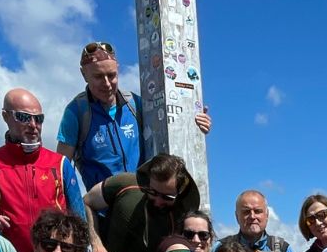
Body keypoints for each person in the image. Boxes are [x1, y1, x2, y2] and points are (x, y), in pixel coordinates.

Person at [0, 87, 101, 252]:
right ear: (5, 116)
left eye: (39, 118)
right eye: (24, 117)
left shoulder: (60, 163)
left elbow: (79, 222)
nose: (33, 124)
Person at [57, 40, 211, 190]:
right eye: (98, 77)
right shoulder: (76, 112)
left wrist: (195, 123)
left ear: (118, 69)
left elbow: (170, 127)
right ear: (84, 74)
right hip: (103, 208)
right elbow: (60, 169)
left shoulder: (136, 104)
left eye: (112, 75)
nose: (107, 83)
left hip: (145, 200)